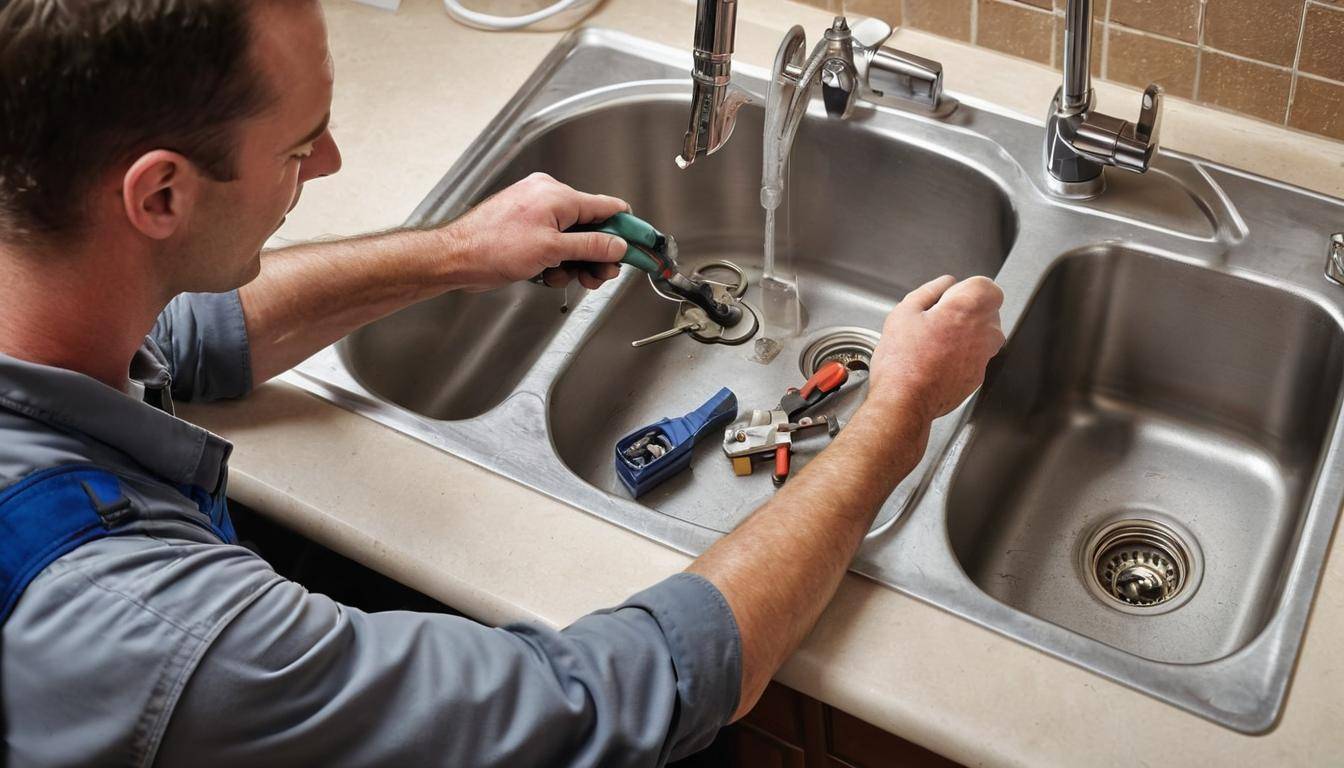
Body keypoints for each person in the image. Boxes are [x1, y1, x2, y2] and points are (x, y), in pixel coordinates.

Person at [0, 1, 1005, 765]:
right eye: (302, 148)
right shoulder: (157, 634)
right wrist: (897, 414)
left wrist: (458, 251)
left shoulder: (42, 282)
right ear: (161, 193)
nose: (337, 159)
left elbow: (195, 337)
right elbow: (613, 698)